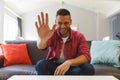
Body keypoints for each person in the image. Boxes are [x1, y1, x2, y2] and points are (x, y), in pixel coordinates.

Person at [35, 8, 94, 75]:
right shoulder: (51, 34)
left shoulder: (79, 36)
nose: (63, 26)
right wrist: (42, 39)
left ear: (70, 21)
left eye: (66, 23)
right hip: (54, 66)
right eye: (59, 23)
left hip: (72, 67)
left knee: (88, 68)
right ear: (55, 22)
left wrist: (69, 62)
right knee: (41, 64)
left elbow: (86, 56)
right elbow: (41, 47)